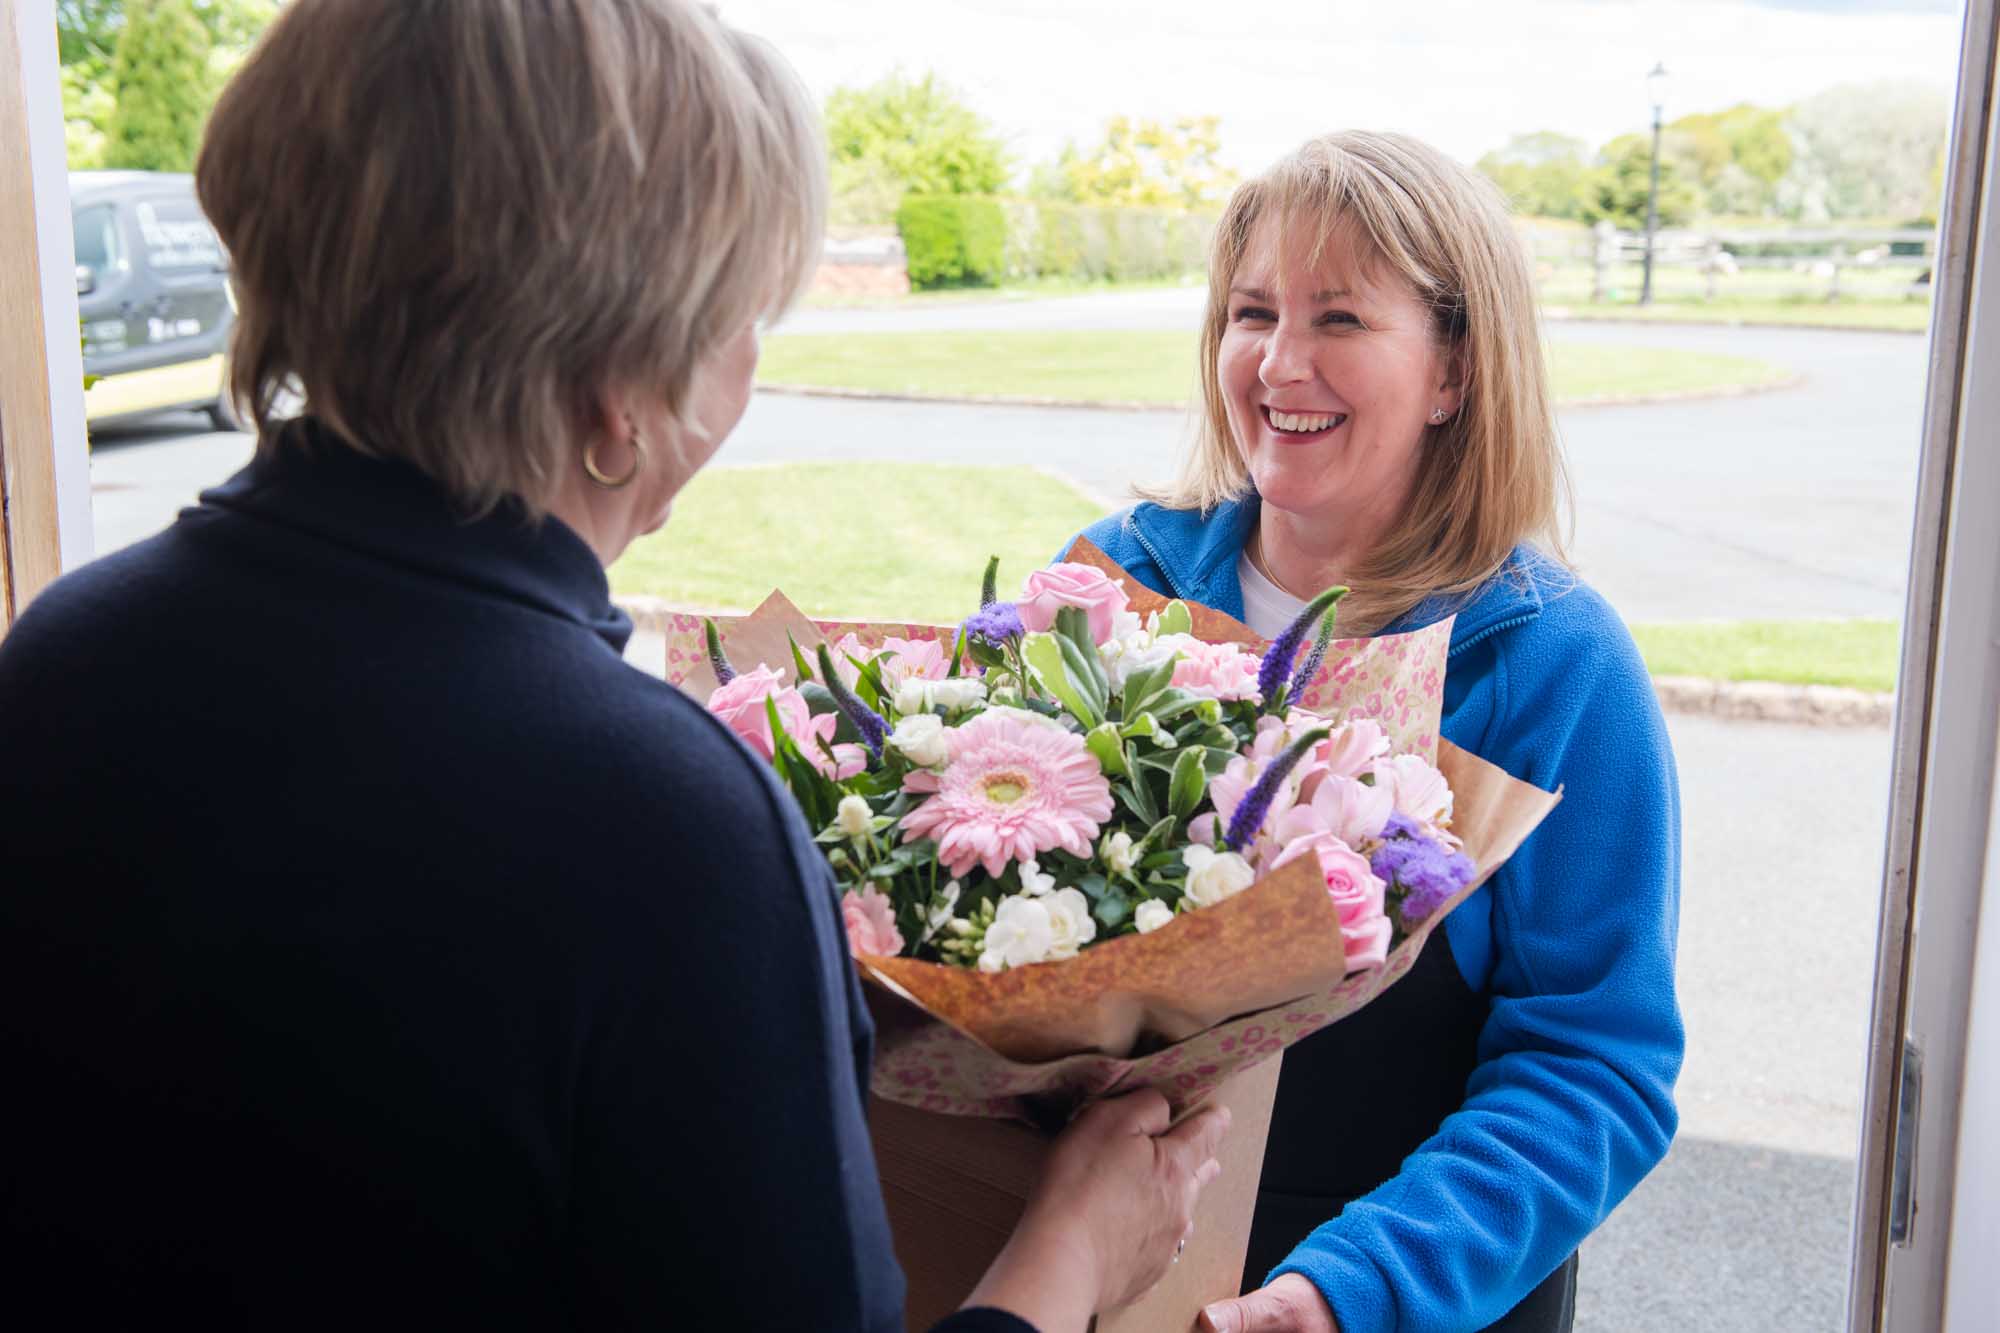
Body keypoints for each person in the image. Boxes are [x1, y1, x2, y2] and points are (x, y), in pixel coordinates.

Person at [0, 4, 1226, 1330]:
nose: (754, 355)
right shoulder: (655, 822)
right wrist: (1075, 1253)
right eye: (745, 309)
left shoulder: (64, 657)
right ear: (618, 385)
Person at [1069, 132, 1684, 1333]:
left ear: (1453, 371)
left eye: (1338, 319)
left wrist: (1344, 1293)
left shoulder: (1553, 665)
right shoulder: (1106, 585)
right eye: (1251, 311)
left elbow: (1592, 1068)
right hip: (1087, 1271)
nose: (1278, 362)